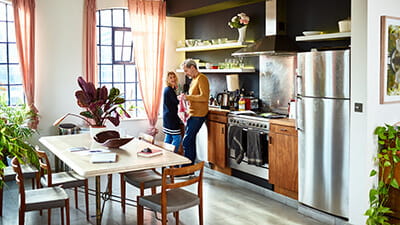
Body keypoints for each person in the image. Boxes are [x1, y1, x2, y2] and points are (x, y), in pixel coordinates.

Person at [181, 59, 210, 166]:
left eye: (186, 70)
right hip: (192, 114)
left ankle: (187, 168)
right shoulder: (194, 79)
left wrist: (188, 97)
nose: (185, 73)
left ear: (193, 67)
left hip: (199, 115)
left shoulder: (202, 78)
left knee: (187, 141)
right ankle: (188, 167)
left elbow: (204, 97)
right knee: (189, 140)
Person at [162, 72, 181, 153]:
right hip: (171, 117)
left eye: (174, 77)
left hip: (167, 117)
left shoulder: (168, 89)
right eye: (170, 77)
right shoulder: (169, 90)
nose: (173, 79)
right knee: (177, 138)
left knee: (168, 137)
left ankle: (165, 156)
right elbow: (176, 101)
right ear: (167, 80)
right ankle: (172, 155)